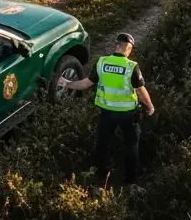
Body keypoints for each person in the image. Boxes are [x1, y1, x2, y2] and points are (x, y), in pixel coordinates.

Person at [56, 32, 155, 193]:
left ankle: (100, 183)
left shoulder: (102, 63)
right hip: (128, 115)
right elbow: (141, 91)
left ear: (115, 46)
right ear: (129, 49)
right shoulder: (131, 67)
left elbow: (86, 84)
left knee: (103, 147)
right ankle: (130, 184)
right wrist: (150, 107)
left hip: (107, 115)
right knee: (131, 147)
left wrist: (67, 83)